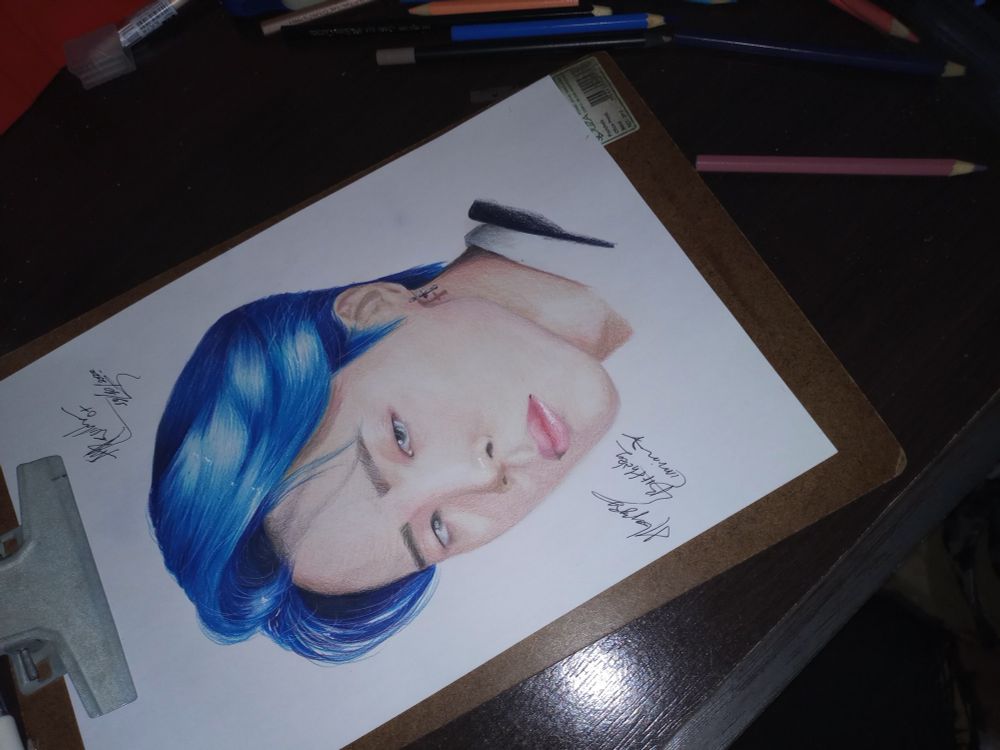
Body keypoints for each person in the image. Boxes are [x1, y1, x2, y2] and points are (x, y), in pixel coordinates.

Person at [149, 204, 632, 663]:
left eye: (401, 438)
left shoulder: (610, 218)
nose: (484, 477)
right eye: (437, 529)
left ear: (372, 307)